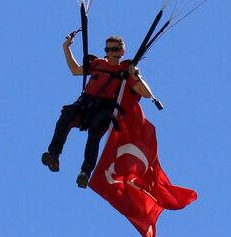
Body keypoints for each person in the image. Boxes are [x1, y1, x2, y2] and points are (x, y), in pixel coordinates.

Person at [41, 33, 152, 188]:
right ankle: (53, 155)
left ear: (121, 52)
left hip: (105, 108)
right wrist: (66, 48)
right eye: (107, 49)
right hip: (86, 104)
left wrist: (136, 76)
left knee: (95, 131)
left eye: (114, 49)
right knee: (66, 116)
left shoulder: (125, 71)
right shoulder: (98, 64)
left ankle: (85, 173)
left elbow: (146, 94)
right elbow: (75, 70)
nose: (110, 53)